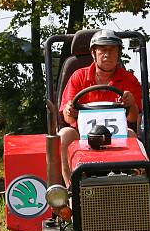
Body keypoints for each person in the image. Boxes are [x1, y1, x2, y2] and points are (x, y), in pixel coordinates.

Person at [59, 29, 141, 185]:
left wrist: (131, 104)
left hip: (117, 134)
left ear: (118, 53)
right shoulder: (78, 77)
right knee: (65, 134)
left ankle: (134, 184)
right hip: (82, 134)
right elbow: (67, 117)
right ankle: (71, 188)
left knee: (131, 135)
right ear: (93, 53)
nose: (107, 54)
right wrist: (70, 110)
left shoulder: (129, 80)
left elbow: (133, 118)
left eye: (112, 50)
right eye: (102, 49)